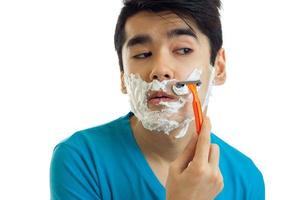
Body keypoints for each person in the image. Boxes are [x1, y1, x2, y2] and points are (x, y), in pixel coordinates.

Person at [50, 0, 265, 199]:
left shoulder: (246, 178)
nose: (160, 70)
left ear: (218, 67)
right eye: (142, 54)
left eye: (183, 50)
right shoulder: (81, 158)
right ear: (124, 78)